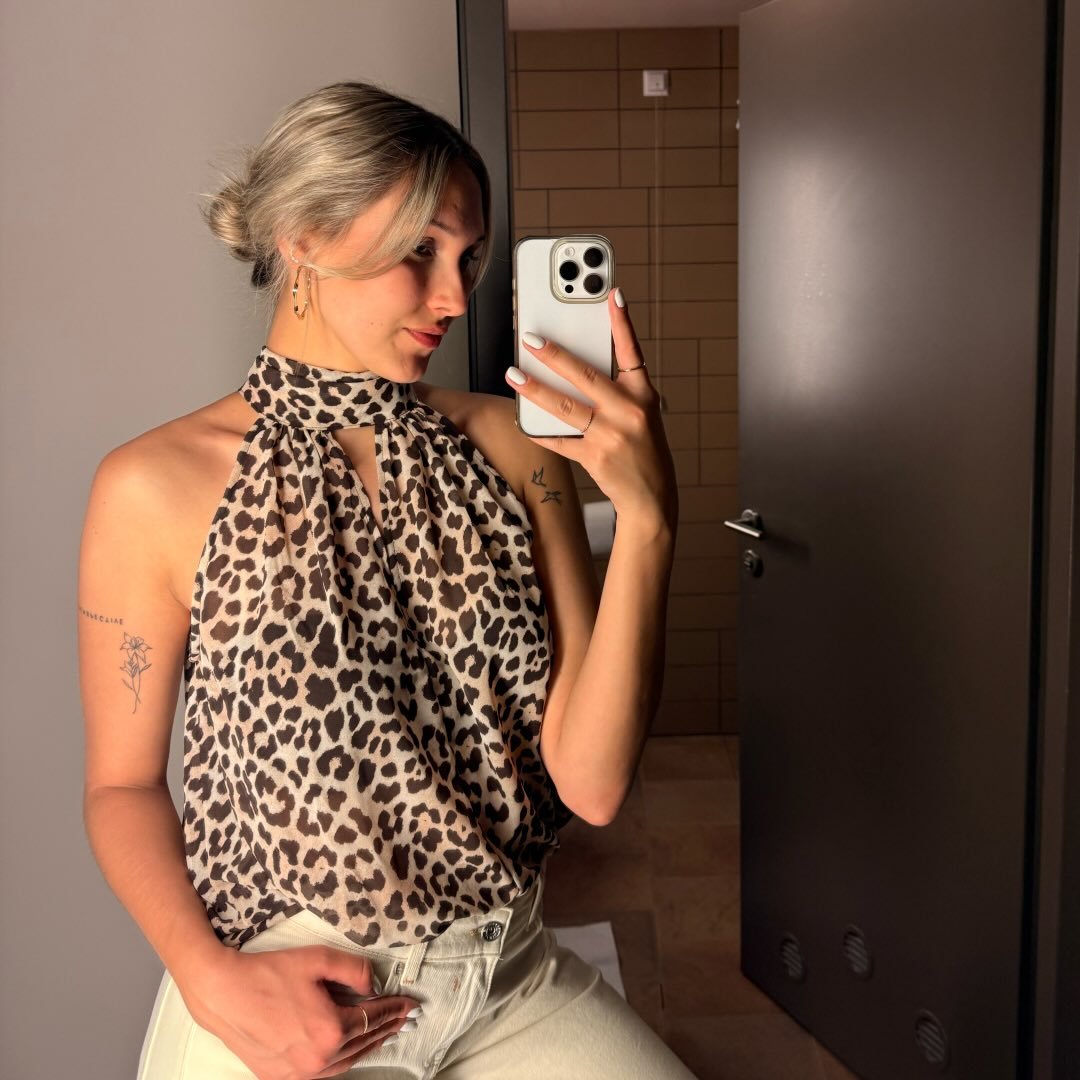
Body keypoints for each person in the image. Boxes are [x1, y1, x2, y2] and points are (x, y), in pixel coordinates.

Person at [77, 81, 688, 1079]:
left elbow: (593, 783)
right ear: (304, 237)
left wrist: (651, 519)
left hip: (507, 974)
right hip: (290, 990)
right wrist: (206, 976)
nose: (456, 297)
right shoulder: (151, 484)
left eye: (469, 257)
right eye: (422, 251)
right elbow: (120, 786)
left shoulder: (516, 446)